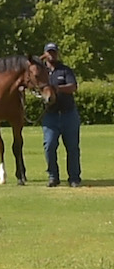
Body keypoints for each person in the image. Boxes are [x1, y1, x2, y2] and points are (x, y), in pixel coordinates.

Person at [41, 41, 82, 187]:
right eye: (49, 52)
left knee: (72, 147)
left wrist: (55, 88)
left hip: (68, 114)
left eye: (54, 52)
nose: (51, 55)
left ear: (57, 53)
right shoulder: (41, 72)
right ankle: (53, 177)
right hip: (50, 115)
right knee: (49, 146)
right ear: (45, 54)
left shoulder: (65, 70)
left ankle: (74, 178)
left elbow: (73, 87)